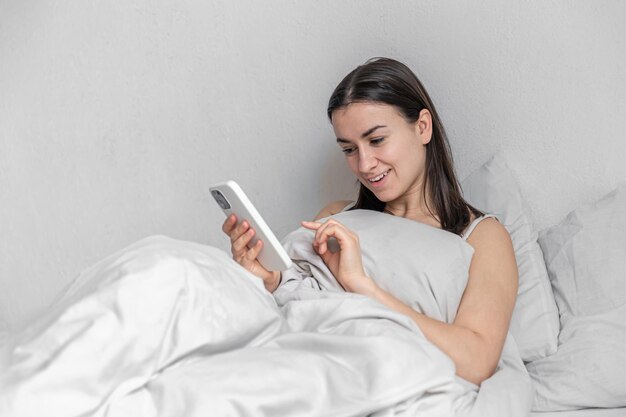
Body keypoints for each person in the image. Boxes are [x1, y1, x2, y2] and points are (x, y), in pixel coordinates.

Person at [222, 57, 518, 386]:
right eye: (349, 149)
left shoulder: (482, 237)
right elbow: (298, 308)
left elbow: (476, 362)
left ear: (422, 127)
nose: (364, 164)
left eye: (376, 140)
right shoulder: (337, 215)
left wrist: (361, 285)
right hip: (291, 361)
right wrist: (265, 281)